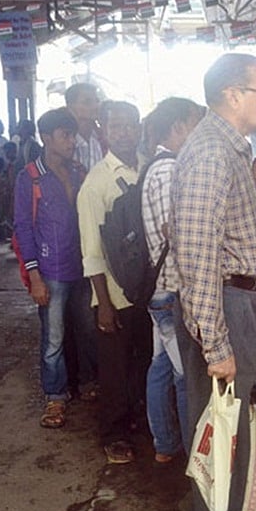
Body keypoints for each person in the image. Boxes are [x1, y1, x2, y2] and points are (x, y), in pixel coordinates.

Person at [171, 53, 256, 511]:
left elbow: (232, 233)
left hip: (241, 301)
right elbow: (196, 257)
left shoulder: (233, 150)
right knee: (217, 431)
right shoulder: (211, 153)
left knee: (232, 426)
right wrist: (215, 344)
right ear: (234, 94)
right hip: (224, 304)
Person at [77, 100, 152, 464]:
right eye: (116, 126)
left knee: (145, 362)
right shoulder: (96, 184)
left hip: (148, 290)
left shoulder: (148, 169)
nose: (124, 132)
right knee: (115, 368)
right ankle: (113, 433)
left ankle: (138, 419)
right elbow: (91, 251)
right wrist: (103, 303)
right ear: (103, 132)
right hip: (115, 294)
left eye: (130, 124)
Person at [13, 108, 94, 428]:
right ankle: (55, 397)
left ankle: (88, 384)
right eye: (65, 135)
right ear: (47, 139)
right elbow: (23, 228)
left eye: (73, 135)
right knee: (54, 338)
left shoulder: (78, 172)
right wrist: (34, 276)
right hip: (51, 270)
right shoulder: (30, 177)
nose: (72, 141)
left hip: (83, 269)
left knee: (87, 332)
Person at [140, 97, 205, 464]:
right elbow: (177, 234)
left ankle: (165, 445)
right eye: (195, 123)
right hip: (173, 289)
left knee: (162, 366)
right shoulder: (168, 171)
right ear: (179, 127)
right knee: (186, 376)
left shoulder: (162, 166)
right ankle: (192, 451)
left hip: (163, 288)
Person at [65, 83, 105, 172]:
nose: (95, 106)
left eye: (97, 101)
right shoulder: (64, 143)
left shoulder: (103, 139)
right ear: (70, 107)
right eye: (87, 102)